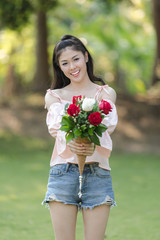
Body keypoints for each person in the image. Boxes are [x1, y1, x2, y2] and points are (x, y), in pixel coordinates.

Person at [42, 34, 118, 240]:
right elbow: (56, 128)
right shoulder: (54, 96)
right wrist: (72, 141)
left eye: (75, 59)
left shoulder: (105, 93)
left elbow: (107, 125)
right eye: (64, 63)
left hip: (98, 174)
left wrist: (91, 144)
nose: (72, 66)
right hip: (63, 173)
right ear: (59, 67)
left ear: (85, 57)